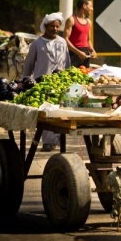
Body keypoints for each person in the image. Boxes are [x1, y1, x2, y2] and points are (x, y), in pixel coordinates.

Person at [23, 12, 71, 151]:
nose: (55, 29)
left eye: (57, 26)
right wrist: (24, 81)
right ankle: (48, 142)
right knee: (46, 113)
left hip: (60, 83)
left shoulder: (62, 42)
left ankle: (58, 141)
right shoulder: (37, 44)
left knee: (59, 113)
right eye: (52, 26)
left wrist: (68, 80)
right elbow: (29, 64)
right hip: (42, 84)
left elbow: (67, 62)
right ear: (45, 26)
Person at [62, 0, 97, 68]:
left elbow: (88, 40)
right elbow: (65, 39)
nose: (92, 9)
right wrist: (78, 52)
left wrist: (93, 51)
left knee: (85, 75)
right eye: (91, 6)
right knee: (72, 76)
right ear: (84, 6)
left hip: (85, 53)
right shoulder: (71, 20)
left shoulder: (89, 22)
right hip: (73, 53)